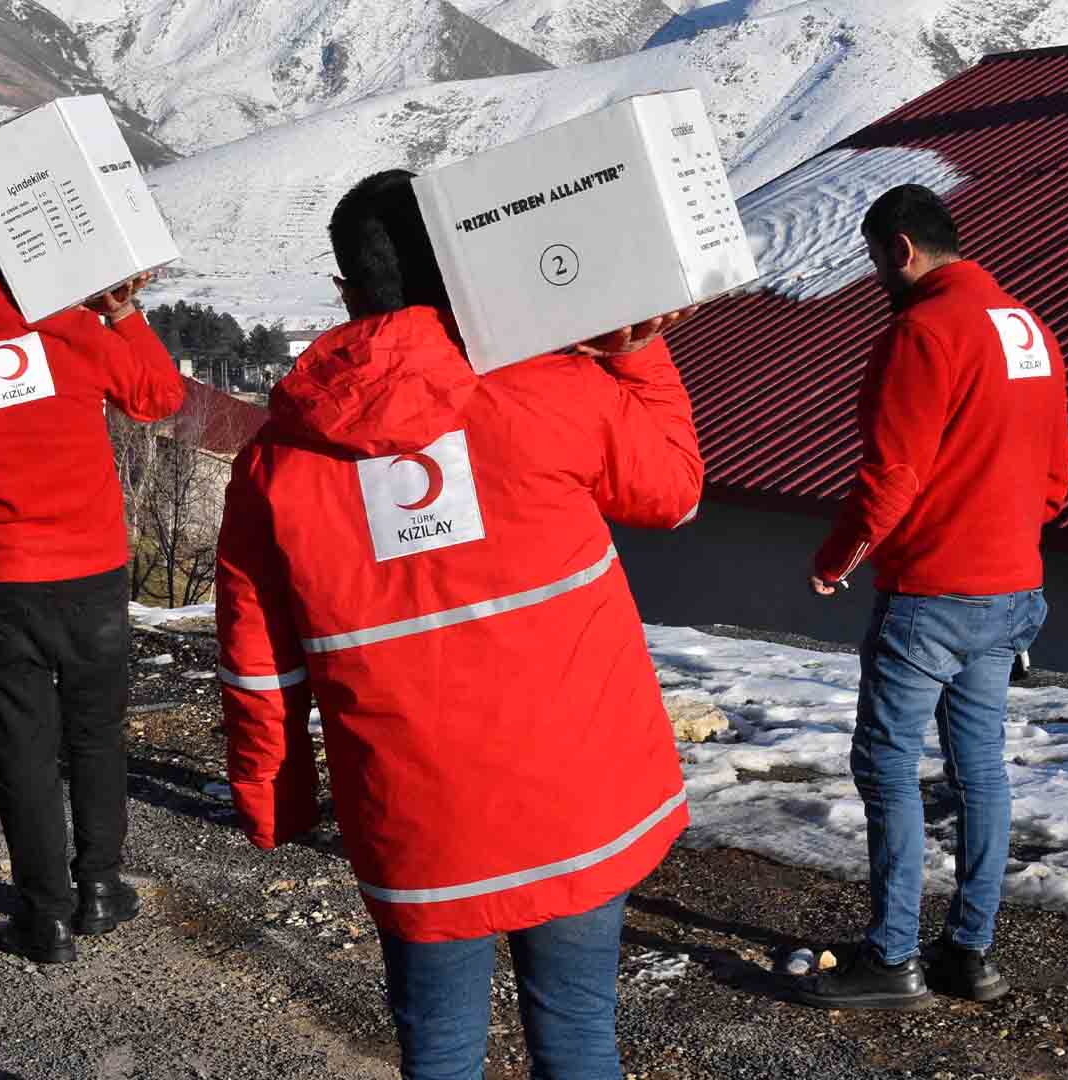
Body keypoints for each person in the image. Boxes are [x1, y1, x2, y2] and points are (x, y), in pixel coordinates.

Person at [215, 170, 703, 1079]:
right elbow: (673, 491)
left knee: (438, 1054)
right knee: (580, 1036)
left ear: (346, 294)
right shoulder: (553, 387)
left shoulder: (273, 465)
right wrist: (635, 353)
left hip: (416, 818)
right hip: (576, 798)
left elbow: (259, 662)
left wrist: (275, 797)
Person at [0, 217, 185, 964]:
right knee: (96, 736)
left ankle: (44, 917)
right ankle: (103, 888)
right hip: (93, 575)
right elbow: (158, 398)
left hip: (2, 582)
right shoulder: (75, 332)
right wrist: (121, 311)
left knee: (24, 750)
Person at [795, 184, 1068, 1009]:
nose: (879, 275)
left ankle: (892, 958)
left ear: (902, 250)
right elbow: (1055, 478)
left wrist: (839, 556)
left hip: (931, 592)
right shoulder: (1028, 327)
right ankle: (970, 955)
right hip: (1012, 585)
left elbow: (894, 473)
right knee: (979, 769)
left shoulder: (922, 330)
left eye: (879, 259)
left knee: (884, 766)